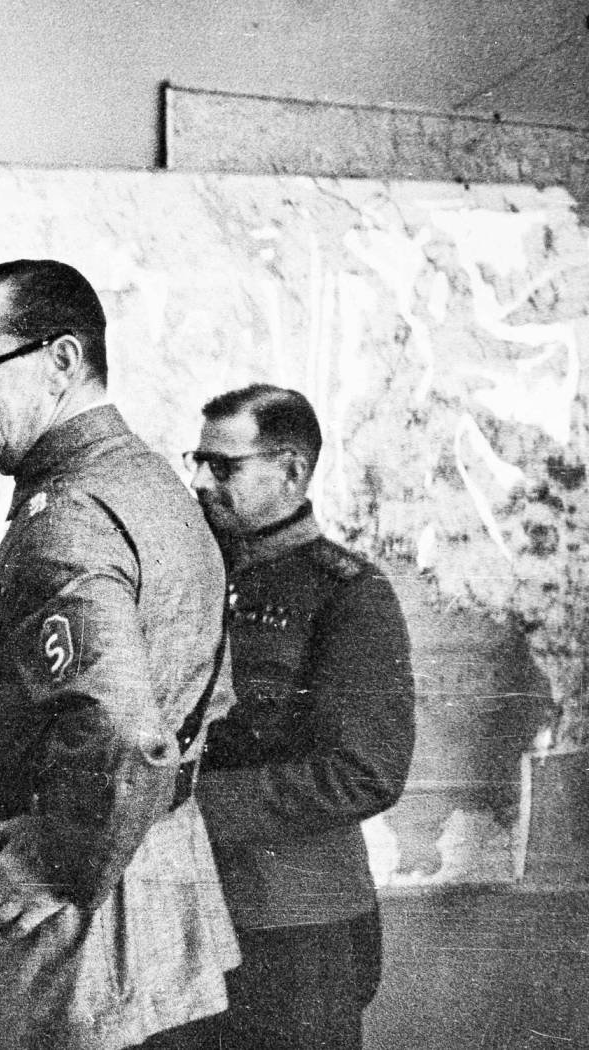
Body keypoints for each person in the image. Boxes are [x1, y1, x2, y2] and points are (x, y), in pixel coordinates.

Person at [0, 259, 240, 1050]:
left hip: (67, 943)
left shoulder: (70, 517)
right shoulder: (152, 488)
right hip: (144, 906)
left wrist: (61, 860)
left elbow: (126, 735)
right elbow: (208, 693)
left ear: (63, 362)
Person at [162, 384, 415, 1049]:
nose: (199, 481)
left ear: (293, 470)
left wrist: (193, 809)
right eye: (197, 460)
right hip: (182, 911)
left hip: (297, 926)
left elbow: (365, 772)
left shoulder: (350, 596)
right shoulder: (189, 582)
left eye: (223, 466)